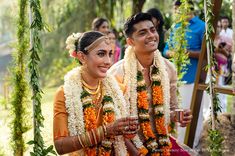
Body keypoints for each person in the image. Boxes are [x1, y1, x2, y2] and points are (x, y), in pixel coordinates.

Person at [109, 12, 193, 155]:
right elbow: (114, 124)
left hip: (161, 139)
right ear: (130, 42)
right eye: (142, 33)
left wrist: (178, 116)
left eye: (152, 30)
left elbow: (171, 108)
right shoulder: (117, 74)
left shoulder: (168, 68)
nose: (151, 35)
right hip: (129, 145)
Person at [53, 31, 139, 155]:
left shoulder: (117, 88)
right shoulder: (65, 94)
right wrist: (105, 131)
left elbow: (122, 138)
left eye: (110, 54)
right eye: (101, 54)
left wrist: (127, 131)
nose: (108, 61)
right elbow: (60, 146)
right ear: (82, 57)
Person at [163, 0, 205, 147]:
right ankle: (181, 146)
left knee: (192, 113)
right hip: (176, 78)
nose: (176, 13)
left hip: (193, 78)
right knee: (178, 113)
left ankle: (192, 145)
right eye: (175, 10)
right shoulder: (175, 27)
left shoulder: (201, 26)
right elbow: (165, 50)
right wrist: (174, 52)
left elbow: (207, 54)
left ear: (187, 9)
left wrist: (188, 53)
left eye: (178, 10)